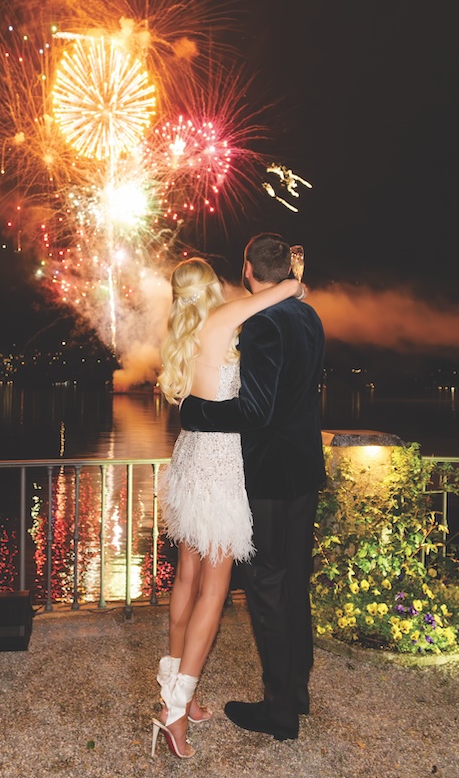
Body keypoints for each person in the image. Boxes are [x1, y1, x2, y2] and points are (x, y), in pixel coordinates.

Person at [152, 256, 306, 759]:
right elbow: (281, 293)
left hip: (189, 460)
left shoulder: (183, 334)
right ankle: (176, 713)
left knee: (185, 581)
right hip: (219, 470)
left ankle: (171, 689)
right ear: (210, 287)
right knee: (214, 593)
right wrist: (295, 277)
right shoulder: (221, 321)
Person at [180, 233, 326, 742]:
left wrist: (196, 413)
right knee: (293, 581)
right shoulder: (309, 316)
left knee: (266, 586)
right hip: (305, 469)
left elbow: (255, 412)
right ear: (285, 271)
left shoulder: (263, 323)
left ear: (247, 271)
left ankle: (279, 709)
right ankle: (298, 690)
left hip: (270, 474)